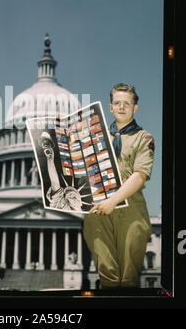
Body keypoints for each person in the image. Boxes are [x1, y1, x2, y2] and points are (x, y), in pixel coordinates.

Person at [83, 83, 155, 289]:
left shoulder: (144, 138)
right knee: (107, 278)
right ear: (110, 107)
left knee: (128, 279)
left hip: (130, 212)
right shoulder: (95, 138)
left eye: (127, 103)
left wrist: (112, 201)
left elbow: (140, 175)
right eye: (117, 103)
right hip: (98, 211)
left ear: (135, 108)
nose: (122, 107)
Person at [39, 131, 83, 211]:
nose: (73, 199)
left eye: (74, 197)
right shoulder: (62, 205)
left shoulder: (63, 205)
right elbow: (55, 183)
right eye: (72, 197)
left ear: (80, 202)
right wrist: (50, 160)